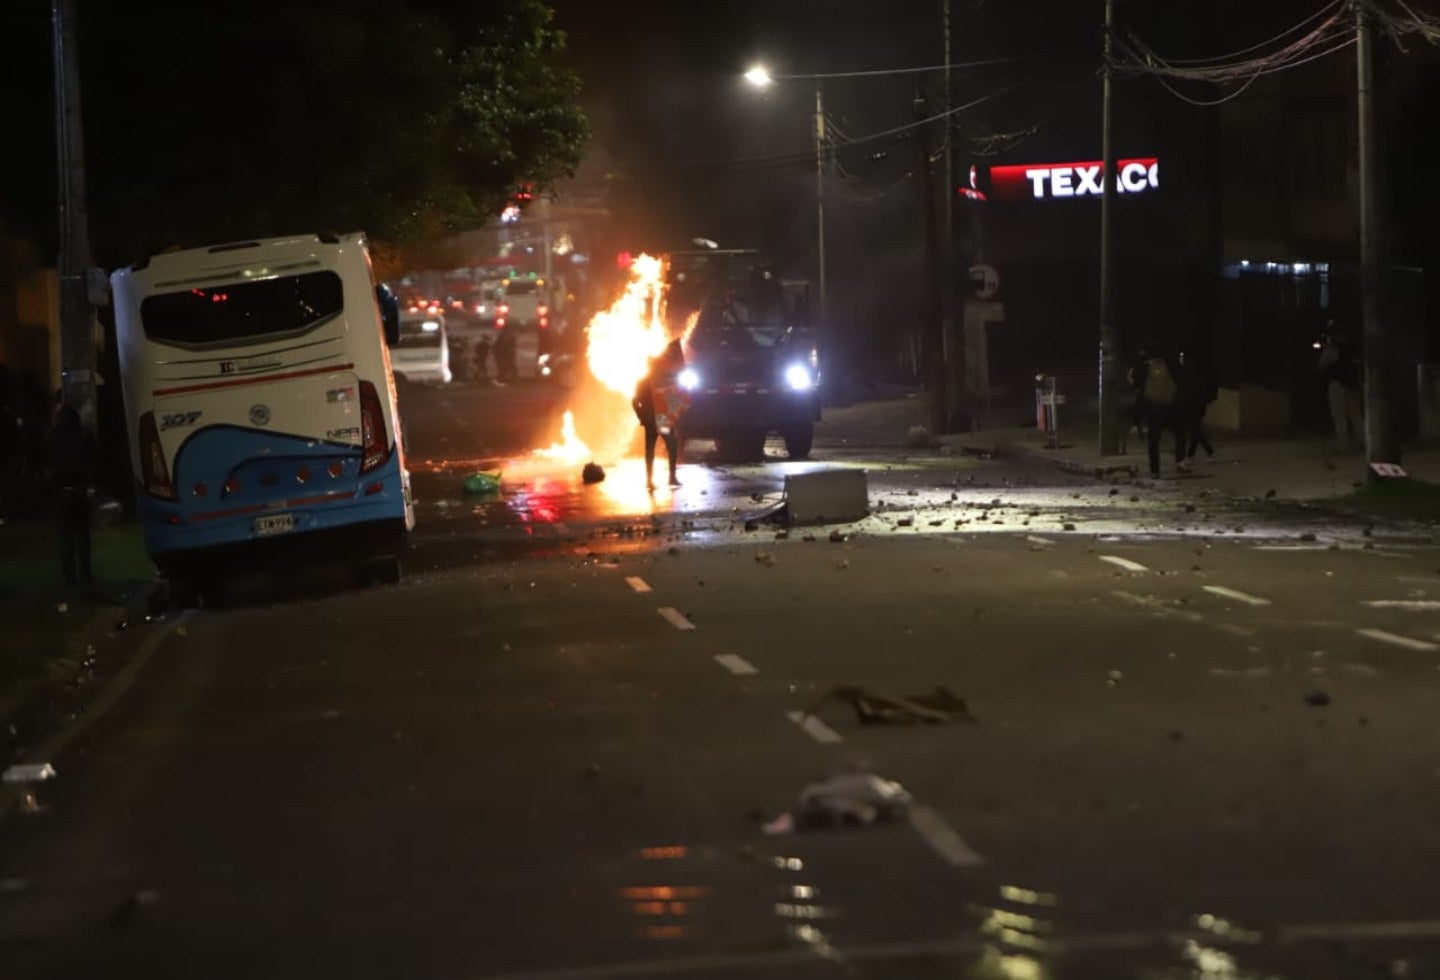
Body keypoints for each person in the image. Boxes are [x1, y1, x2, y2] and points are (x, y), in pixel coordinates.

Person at [46, 403, 95, 591]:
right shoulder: (83, 437)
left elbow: (48, 462)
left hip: (61, 491)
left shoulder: (53, 437)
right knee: (82, 535)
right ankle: (85, 575)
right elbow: (93, 459)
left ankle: (70, 578)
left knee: (65, 536)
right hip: (80, 490)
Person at [632, 339, 688, 489]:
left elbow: (635, 402)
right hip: (660, 418)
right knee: (670, 446)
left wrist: (642, 417)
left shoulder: (644, 382)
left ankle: (652, 480)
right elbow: (636, 401)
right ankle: (670, 478)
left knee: (653, 449)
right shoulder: (659, 381)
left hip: (653, 419)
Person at [1128, 344, 1185, 479]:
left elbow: (1134, 383)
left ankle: (1155, 470)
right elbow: (1181, 382)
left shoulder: (1144, 367)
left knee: (1153, 441)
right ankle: (1180, 462)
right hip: (1171, 407)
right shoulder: (1171, 365)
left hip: (1152, 408)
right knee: (1180, 435)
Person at [1317, 326, 1362, 451]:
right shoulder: (1353, 349)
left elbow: (1321, 366)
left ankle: (1343, 444)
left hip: (1337, 384)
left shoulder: (1332, 349)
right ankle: (1362, 441)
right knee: (1356, 414)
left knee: (1339, 415)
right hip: (1353, 385)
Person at [1178, 349, 1218, 467]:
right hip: (1201, 403)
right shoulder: (1203, 370)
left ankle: (1208, 450)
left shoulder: (1186, 370)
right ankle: (1191, 456)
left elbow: (1183, 387)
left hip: (1190, 403)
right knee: (1195, 428)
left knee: (1193, 429)